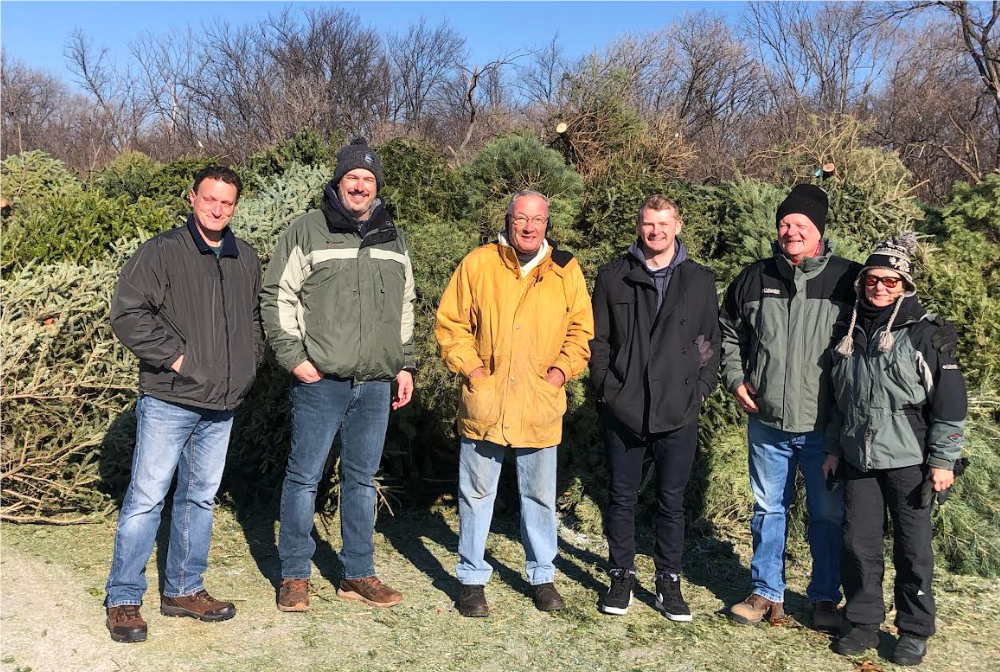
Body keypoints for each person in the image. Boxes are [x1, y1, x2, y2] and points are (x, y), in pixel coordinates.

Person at [105, 166, 263, 643]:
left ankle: (183, 589)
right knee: (147, 498)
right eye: (209, 199)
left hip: (222, 403)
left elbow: (255, 318)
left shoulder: (245, 256)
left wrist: (249, 364)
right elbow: (128, 312)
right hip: (170, 399)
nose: (217, 209)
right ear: (193, 197)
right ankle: (124, 598)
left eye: (227, 203)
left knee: (199, 497)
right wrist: (177, 358)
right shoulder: (162, 252)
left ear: (235, 206)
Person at [260, 138, 416, 612]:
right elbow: (277, 296)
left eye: (369, 179)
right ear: (339, 181)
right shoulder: (307, 230)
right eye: (353, 177)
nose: (361, 186)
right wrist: (295, 357)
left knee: (361, 480)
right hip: (320, 382)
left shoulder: (393, 237)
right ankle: (294, 575)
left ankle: (357, 573)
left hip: (375, 385)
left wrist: (404, 362)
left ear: (377, 186)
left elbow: (405, 304)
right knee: (304, 478)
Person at [435, 190, 594, 617]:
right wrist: (472, 371)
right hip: (486, 401)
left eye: (537, 219)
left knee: (540, 496)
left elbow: (581, 331)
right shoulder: (479, 263)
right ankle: (471, 578)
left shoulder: (566, 270)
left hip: (539, 403)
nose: (528, 226)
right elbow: (451, 323)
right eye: (521, 218)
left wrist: (559, 372)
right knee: (476, 493)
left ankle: (542, 576)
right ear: (508, 220)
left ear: (547, 223)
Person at [719, 184, 861, 631]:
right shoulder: (754, 277)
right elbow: (727, 332)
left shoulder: (848, 280)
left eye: (800, 224)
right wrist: (736, 378)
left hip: (824, 425)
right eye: (784, 223)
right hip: (768, 420)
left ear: (819, 230)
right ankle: (765, 593)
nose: (790, 230)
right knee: (768, 509)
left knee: (826, 514)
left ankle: (823, 598)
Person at [824, 234, 965, 666]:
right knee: (857, 542)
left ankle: (914, 628)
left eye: (890, 281)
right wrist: (833, 448)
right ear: (862, 282)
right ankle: (864, 621)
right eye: (872, 280)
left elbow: (950, 402)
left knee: (913, 547)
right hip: (857, 456)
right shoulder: (847, 328)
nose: (879, 288)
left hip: (910, 458)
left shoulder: (925, 333)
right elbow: (836, 399)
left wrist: (943, 460)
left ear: (904, 284)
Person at [589, 195, 720, 620]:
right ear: (639, 225)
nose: (656, 231)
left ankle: (668, 581)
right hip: (625, 407)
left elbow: (711, 343)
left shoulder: (699, 280)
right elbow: (599, 342)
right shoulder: (613, 277)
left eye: (664, 224)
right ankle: (621, 575)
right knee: (622, 498)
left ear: (678, 226)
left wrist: (699, 390)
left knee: (671, 501)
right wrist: (607, 388)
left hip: (678, 409)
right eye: (648, 224)